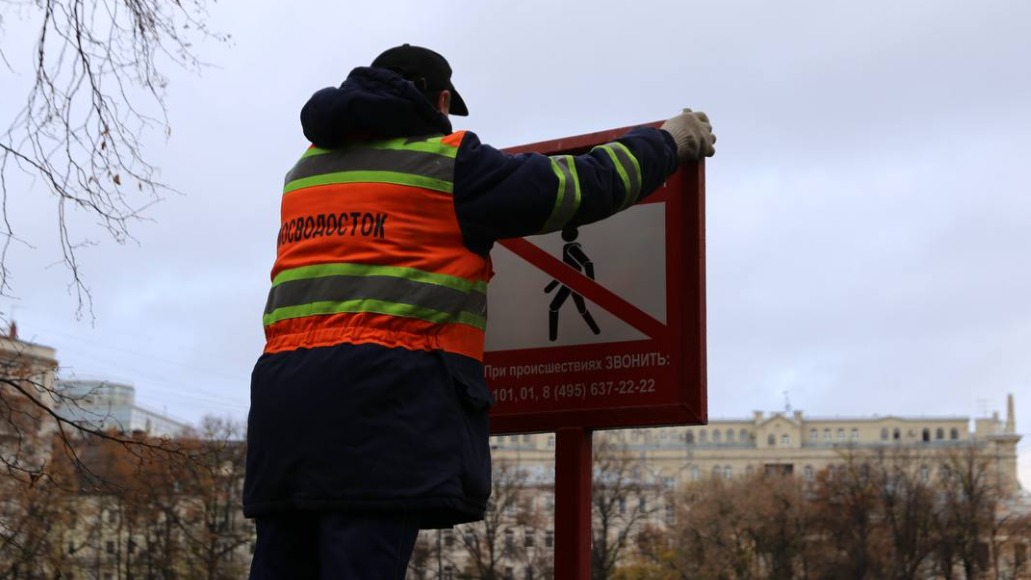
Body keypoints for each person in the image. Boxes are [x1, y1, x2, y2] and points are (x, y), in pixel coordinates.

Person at [244, 43, 716, 579]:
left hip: (284, 420)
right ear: (441, 100)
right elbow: (576, 187)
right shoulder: (448, 164)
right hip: (380, 416)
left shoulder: (304, 173)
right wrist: (665, 142)